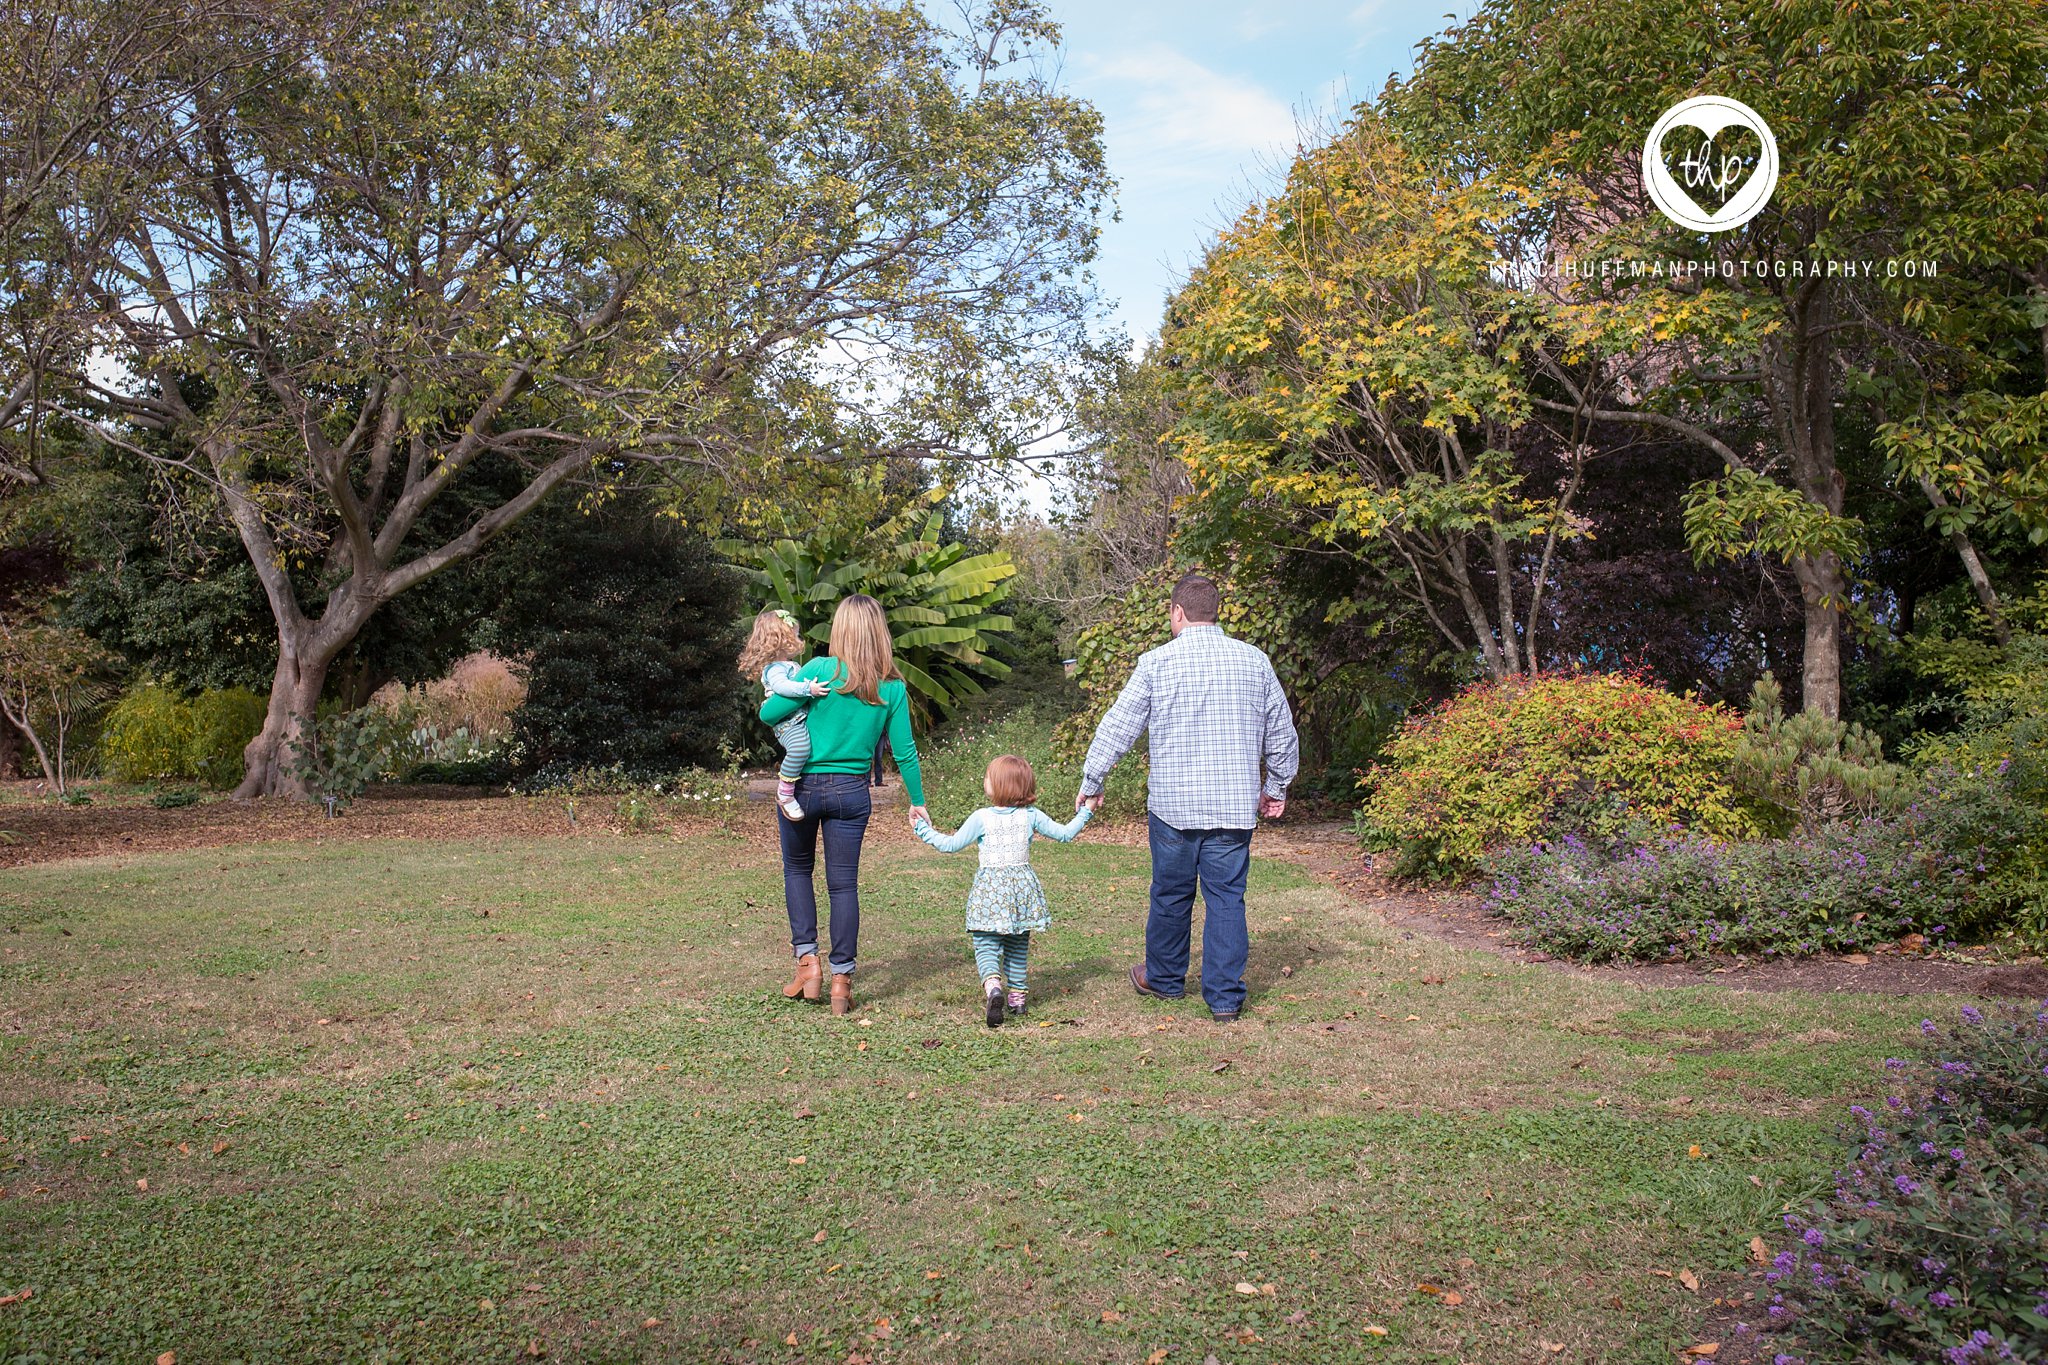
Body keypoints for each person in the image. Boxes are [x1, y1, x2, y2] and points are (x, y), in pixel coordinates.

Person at [1078, 572, 1299, 1023]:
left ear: (1178, 613)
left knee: (1171, 895)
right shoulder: (1254, 661)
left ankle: (1163, 979)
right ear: (1214, 613)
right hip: (1233, 808)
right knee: (1226, 899)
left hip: (1173, 808)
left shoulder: (1156, 663)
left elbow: (1118, 727)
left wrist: (1092, 779)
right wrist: (1275, 787)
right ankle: (1223, 999)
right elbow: (1282, 732)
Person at [758, 594, 929, 1015]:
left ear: (840, 630)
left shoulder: (819, 670)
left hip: (802, 788)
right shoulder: (891, 686)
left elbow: (770, 713)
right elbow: (904, 752)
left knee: (797, 869)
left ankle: (808, 965)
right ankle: (841, 982)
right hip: (852, 794)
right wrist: (918, 802)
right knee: (843, 885)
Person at [913, 754, 1091, 1028]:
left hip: (990, 895)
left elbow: (949, 845)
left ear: (999, 786)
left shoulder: (981, 817)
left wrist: (921, 828)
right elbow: (1065, 833)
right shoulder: (1031, 816)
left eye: (988, 778)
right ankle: (1017, 1000)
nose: (985, 781)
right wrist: (1086, 811)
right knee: (1018, 945)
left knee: (985, 943)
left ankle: (993, 985)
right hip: (1022, 893)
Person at [736, 607, 830, 820]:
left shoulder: (789, 664)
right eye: (795, 635)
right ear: (782, 639)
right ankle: (785, 793)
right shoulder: (775, 668)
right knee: (800, 748)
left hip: (799, 718)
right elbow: (783, 688)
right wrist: (808, 689)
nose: (798, 639)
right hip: (789, 722)